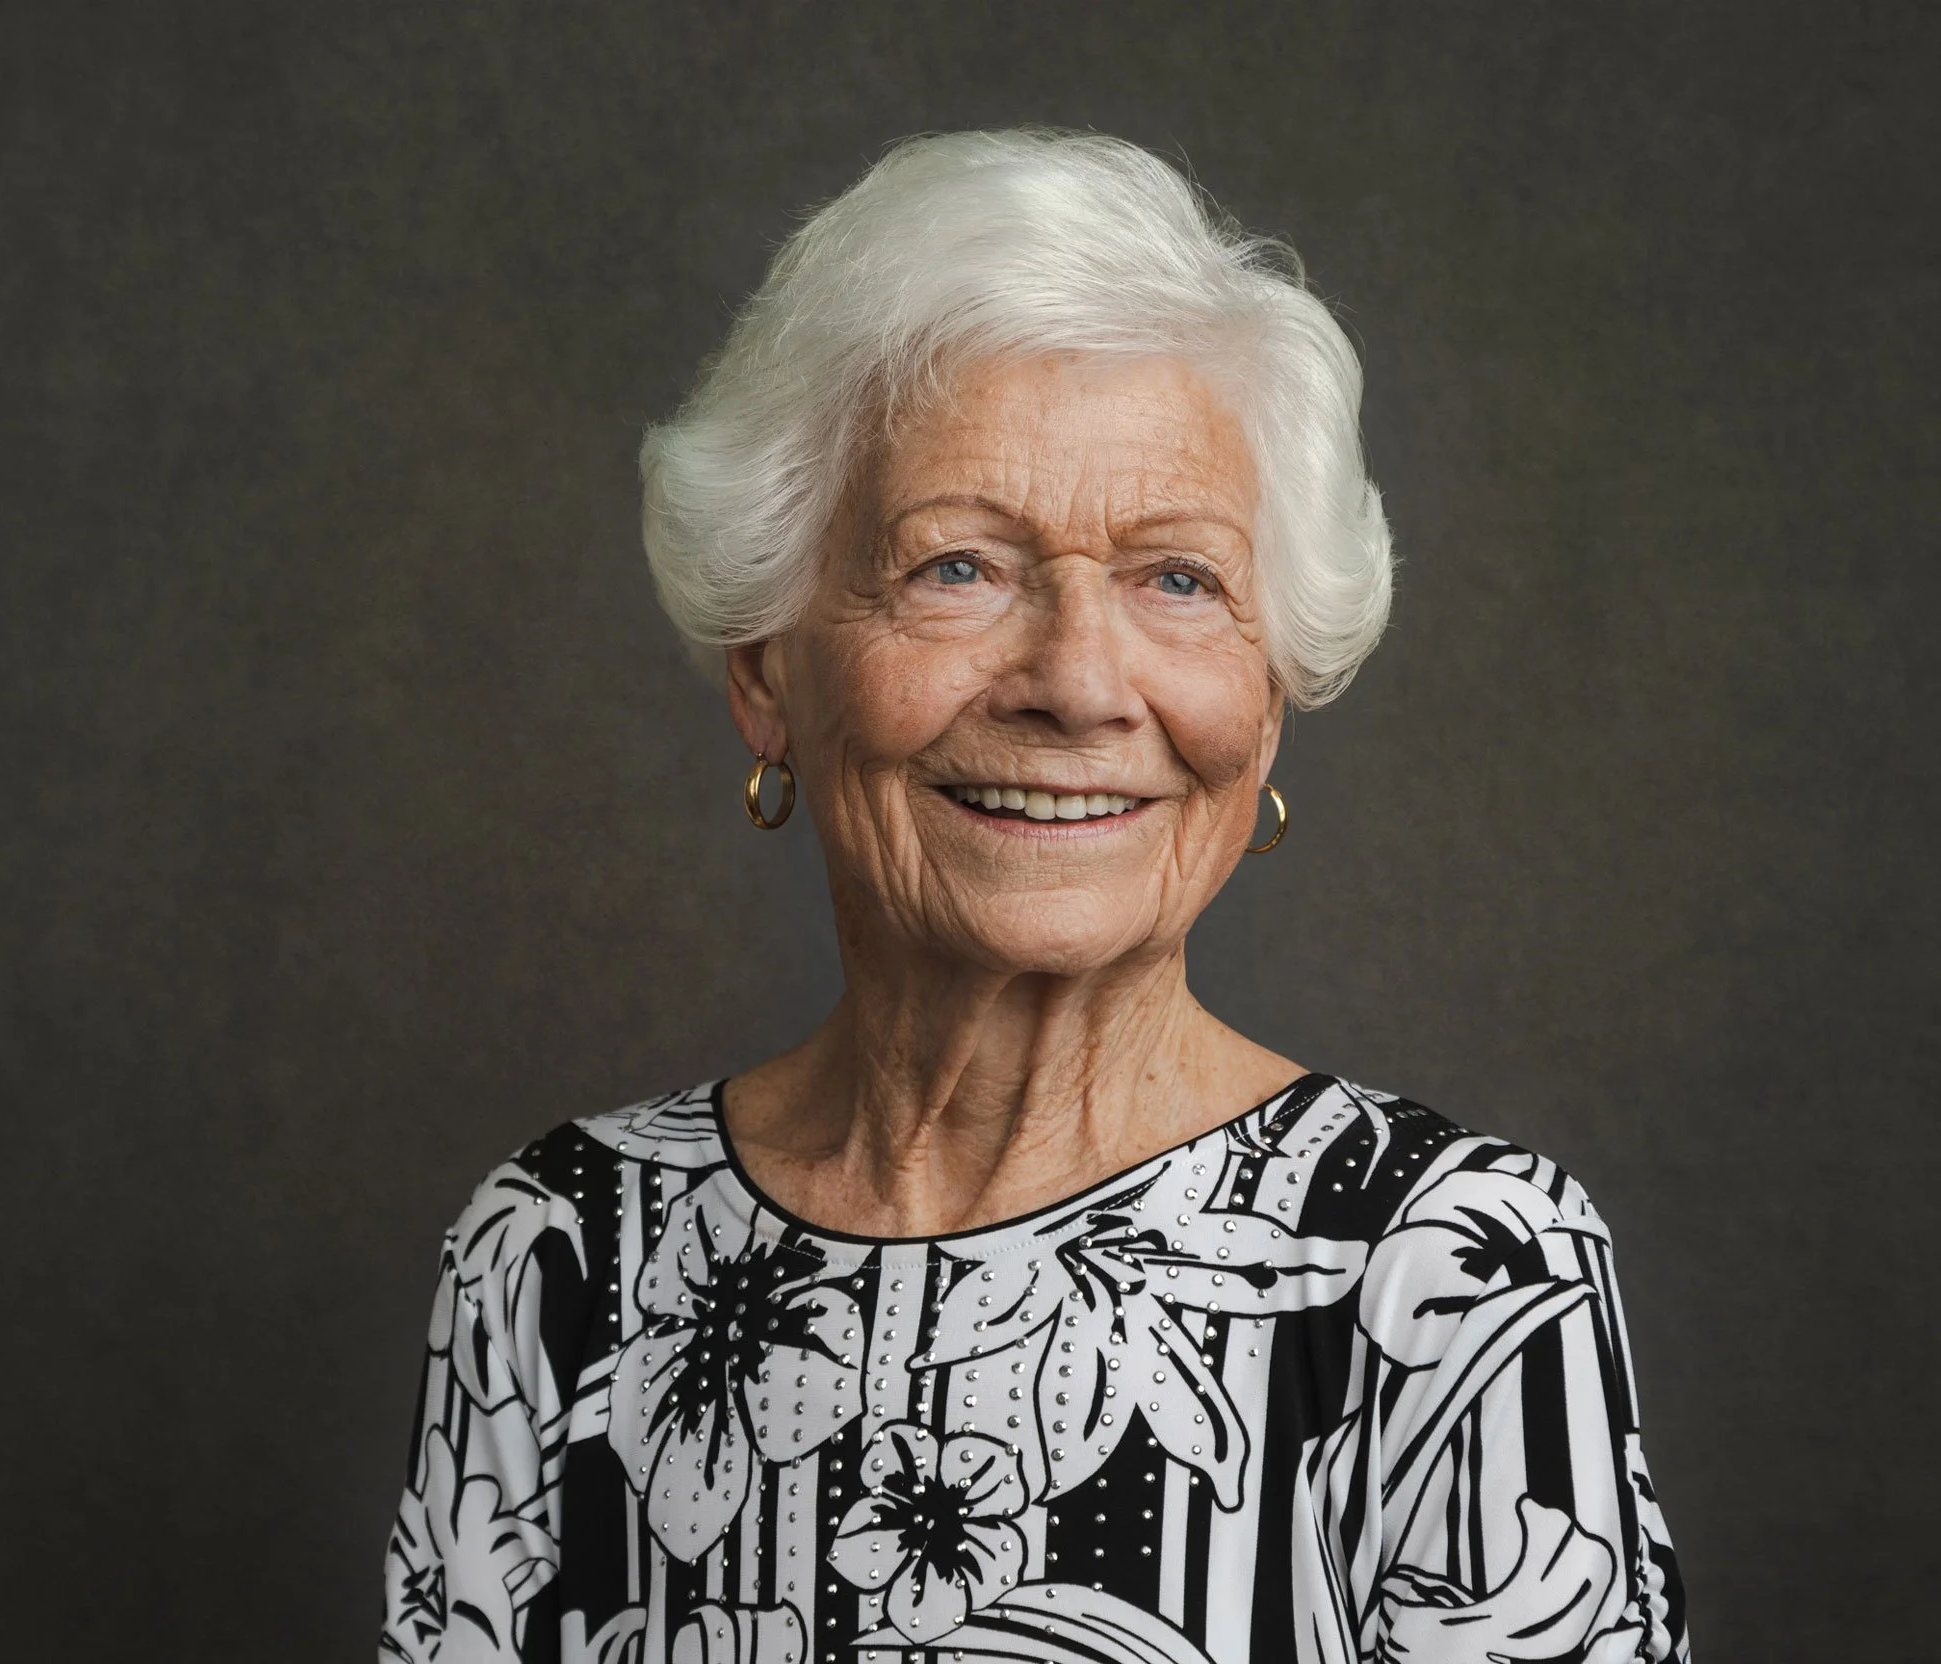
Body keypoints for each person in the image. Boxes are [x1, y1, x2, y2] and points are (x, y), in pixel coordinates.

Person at [378, 130, 1689, 1664]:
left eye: (1180, 579)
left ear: (1264, 700)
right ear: (763, 668)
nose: (1077, 683)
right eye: (958, 568)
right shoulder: (560, 1251)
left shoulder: (1452, 1269)